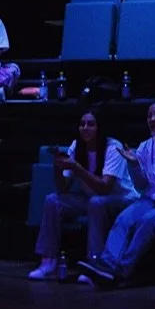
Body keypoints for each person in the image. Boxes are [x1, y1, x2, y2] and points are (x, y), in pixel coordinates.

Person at [76, 101, 155, 287]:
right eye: (149, 116)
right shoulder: (144, 147)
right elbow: (142, 185)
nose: (153, 119)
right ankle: (106, 265)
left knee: (148, 220)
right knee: (124, 219)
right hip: (150, 199)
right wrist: (134, 165)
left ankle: (121, 272)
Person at [29, 108, 136, 279]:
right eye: (82, 124)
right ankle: (48, 260)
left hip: (121, 200)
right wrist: (58, 167)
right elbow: (63, 189)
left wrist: (77, 168)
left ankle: (94, 264)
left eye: (91, 124)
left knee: (96, 202)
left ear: (99, 128)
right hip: (92, 199)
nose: (85, 128)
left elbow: (105, 188)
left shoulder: (113, 147)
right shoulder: (76, 146)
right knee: (53, 200)